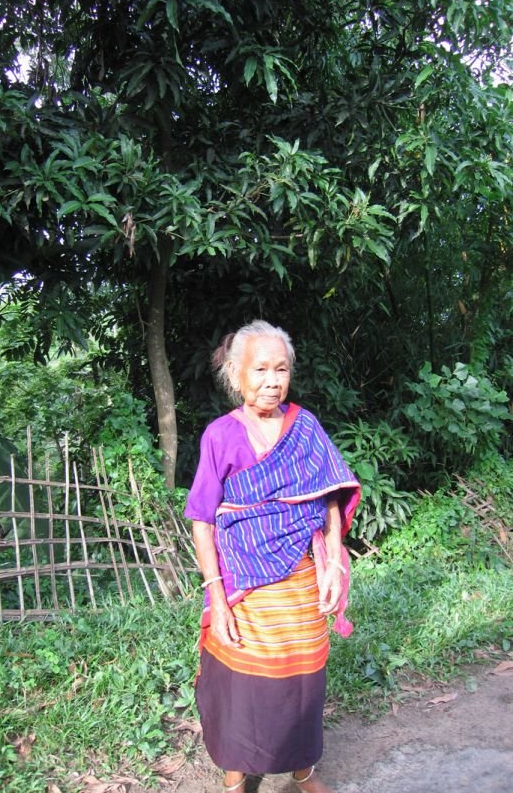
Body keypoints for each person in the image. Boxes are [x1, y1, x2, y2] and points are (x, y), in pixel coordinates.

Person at [184, 320, 360, 793]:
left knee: (302, 681)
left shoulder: (305, 428)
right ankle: (236, 777)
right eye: (260, 369)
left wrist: (334, 566)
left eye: (281, 369)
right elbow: (203, 519)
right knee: (242, 684)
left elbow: (328, 497)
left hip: (302, 580)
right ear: (236, 376)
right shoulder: (220, 436)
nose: (272, 380)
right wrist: (216, 598)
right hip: (244, 585)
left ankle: (303, 770)